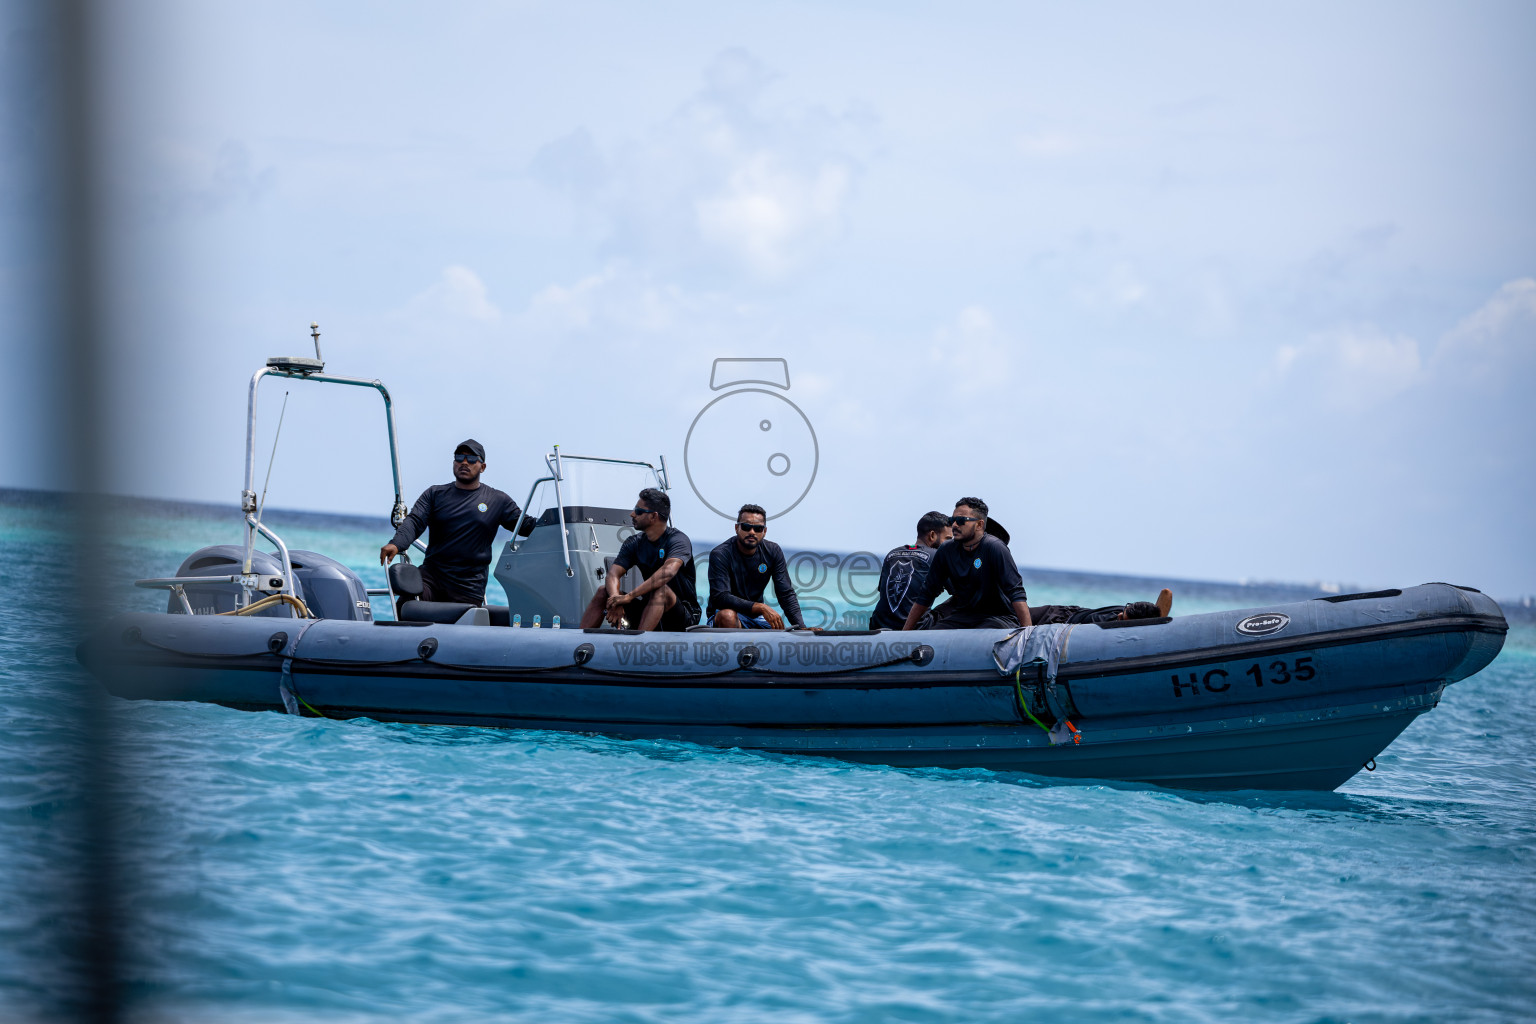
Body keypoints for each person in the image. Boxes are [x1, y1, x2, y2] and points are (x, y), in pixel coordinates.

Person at [379, 439, 532, 605]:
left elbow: (526, 526)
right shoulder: (434, 494)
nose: (464, 462)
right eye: (459, 457)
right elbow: (415, 521)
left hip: (468, 587)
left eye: (472, 459)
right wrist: (396, 543)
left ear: (482, 467)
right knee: (406, 605)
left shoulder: (497, 500)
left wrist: (560, 519)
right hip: (431, 578)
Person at [580, 487, 700, 632]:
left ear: (653, 516)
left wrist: (630, 596)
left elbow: (667, 572)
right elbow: (613, 574)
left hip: (682, 615)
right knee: (602, 592)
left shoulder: (678, 540)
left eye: (638, 511)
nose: (632, 514)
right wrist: (616, 599)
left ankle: (639, 647)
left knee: (660, 590)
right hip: (650, 607)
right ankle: (576, 646)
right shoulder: (634, 542)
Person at [902, 497, 1030, 630]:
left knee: (983, 637)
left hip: (998, 617)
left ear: (979, 525)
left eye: (961, 520)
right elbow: (927, 593)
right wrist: (904, 634)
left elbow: (1016, 593)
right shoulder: (946, 550)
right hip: (962, 617)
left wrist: (1027, 634)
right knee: (932, 637)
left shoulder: (995, 547)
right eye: (952, 521)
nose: (955, 525)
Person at [706, 504, 806, 629]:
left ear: (764, 531)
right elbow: (720, 597)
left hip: (756, 616)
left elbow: (785, 593)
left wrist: (801, 627)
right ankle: (737, 647)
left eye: (758, 529)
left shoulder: (773, 551)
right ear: (737, 528)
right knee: (727, 616)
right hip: (724, 614)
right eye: (746, 527)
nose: (752, 532)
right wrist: (760, 607)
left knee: (777, 625)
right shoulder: (720, 554)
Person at [869, 511, 952, 630]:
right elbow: (962, 592)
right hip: (916, 627)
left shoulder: (892, 553)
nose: (951, 544)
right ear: (932, 535)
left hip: (878, 625)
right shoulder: (938, 556)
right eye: (948, 539)